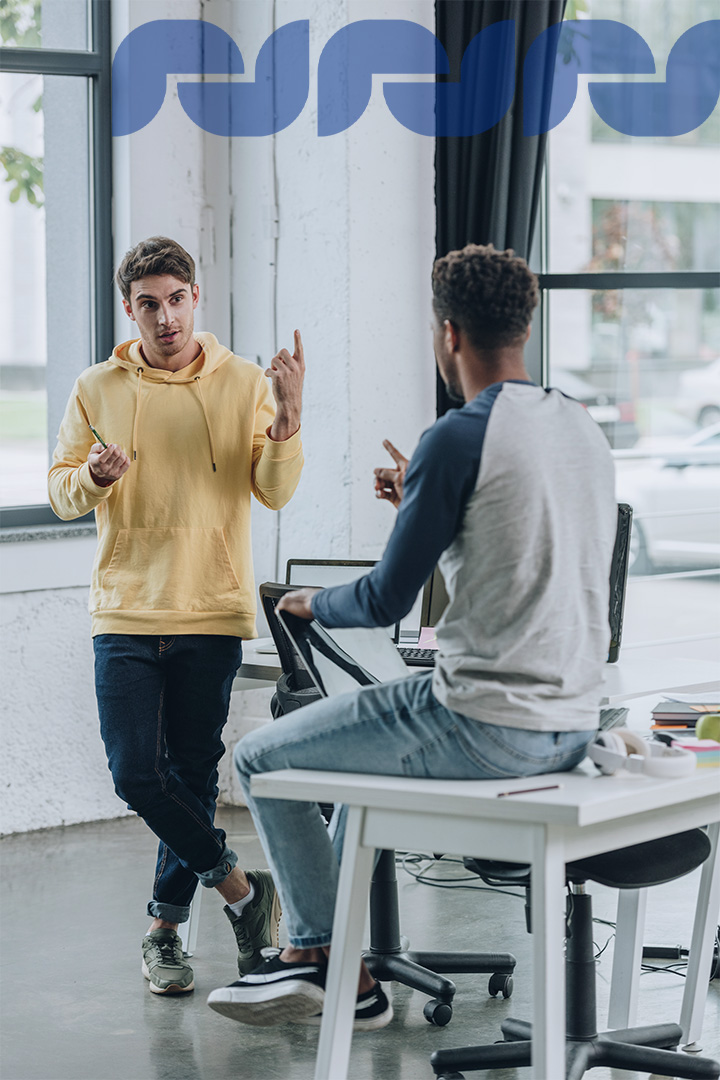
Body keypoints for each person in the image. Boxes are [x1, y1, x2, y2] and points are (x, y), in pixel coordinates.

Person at [207, 243, 617, 1031]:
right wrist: (422, 505)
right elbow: (520, 545)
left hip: (484, 723)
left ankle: (324, 956)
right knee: (347, 778)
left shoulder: (457, 436)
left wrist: (309, 601)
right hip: (572, 722)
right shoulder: (579, 425)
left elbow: (383, 598)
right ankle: (345, 966)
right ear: (524, 329)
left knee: (260, 756)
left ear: (448, 335)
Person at [48, 236, 305, 995]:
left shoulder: (245, 382)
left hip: (210, 609)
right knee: (136, 774)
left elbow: (274, 491)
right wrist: (93, 477)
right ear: (129, 310)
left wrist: (288, 421)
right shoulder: (96, 386)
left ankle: (164, 932)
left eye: (176, 300)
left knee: (190, 776)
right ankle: (245, 893)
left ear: (196, 297)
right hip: (126, 609)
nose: (166, 318)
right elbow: (61, 493)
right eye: (149, 305)